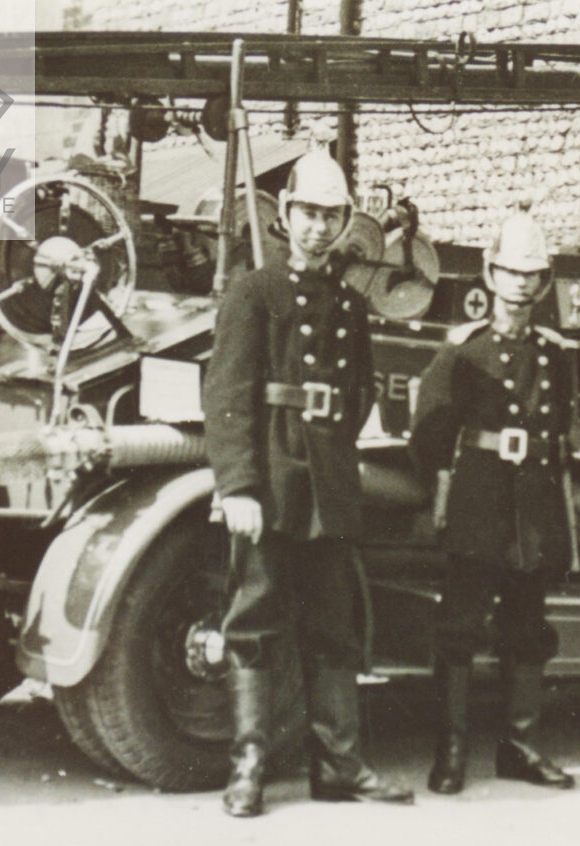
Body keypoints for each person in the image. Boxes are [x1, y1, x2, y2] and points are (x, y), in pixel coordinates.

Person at [203, 149, 414, 817]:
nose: (318, 228)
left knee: (335, 626)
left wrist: (336, 468)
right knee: (255, 620)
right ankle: (249, 767)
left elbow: (356, 399)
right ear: (285, 215)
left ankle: (339, 766)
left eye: (331, 216)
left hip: (329, 484)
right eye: (307, 214)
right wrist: (237, 485)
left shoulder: (351, 304)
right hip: (270, 477)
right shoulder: (254, 292)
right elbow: (228, 396)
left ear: (345, 221)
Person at [408, 208, 578, 795]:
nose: (522, 283)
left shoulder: (556, 353)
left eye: (532, 273)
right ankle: (451, 749)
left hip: (531, 501)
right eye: (511, 271)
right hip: (478, 496)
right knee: (460, 626)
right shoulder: (462, 350)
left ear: (545, 280)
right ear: (490, 273)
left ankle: (521, 745)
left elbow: (563, 428)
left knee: (527, 625)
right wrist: (439, 492)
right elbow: (428, 432)